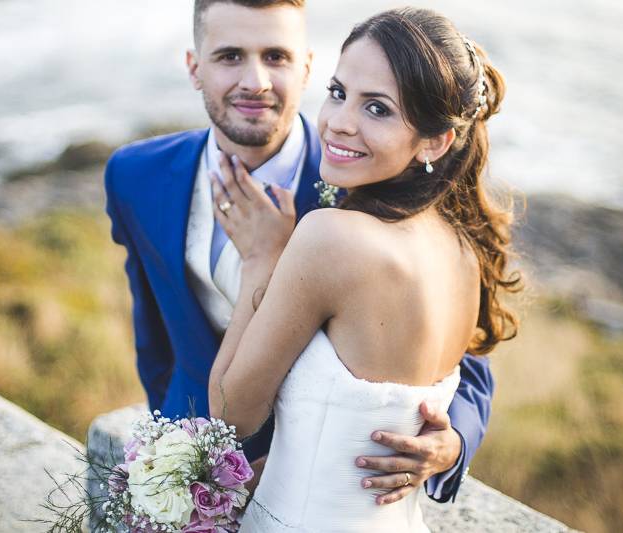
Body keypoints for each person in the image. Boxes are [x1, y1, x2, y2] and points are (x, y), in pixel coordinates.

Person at [104, 0, 495, 507]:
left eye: (275, 56)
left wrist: (452, 442)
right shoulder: (134, 176)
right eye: (228, 56)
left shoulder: (364, 192)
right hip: (181, 473)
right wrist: (169, 446)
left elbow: (464, 355)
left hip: (308, 488)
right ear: (194, 66)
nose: (255, 82)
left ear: (306, 65)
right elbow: (152, 329)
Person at [208, 6, 520, 530]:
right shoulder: (465, 251)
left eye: (377, 108)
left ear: (436, 141)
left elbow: (229, 416)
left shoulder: (329, 237)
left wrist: (263, 261)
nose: (339, 122)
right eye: (337, 92)